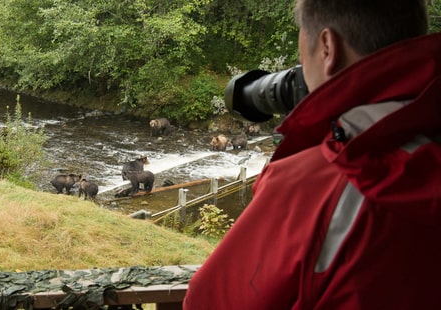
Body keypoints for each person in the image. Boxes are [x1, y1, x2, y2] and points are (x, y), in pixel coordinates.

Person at [184, 0, 441, 309]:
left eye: (301, 53)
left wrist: (296, 162)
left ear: (327, 47)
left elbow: (207, 301)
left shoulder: (313, 185)